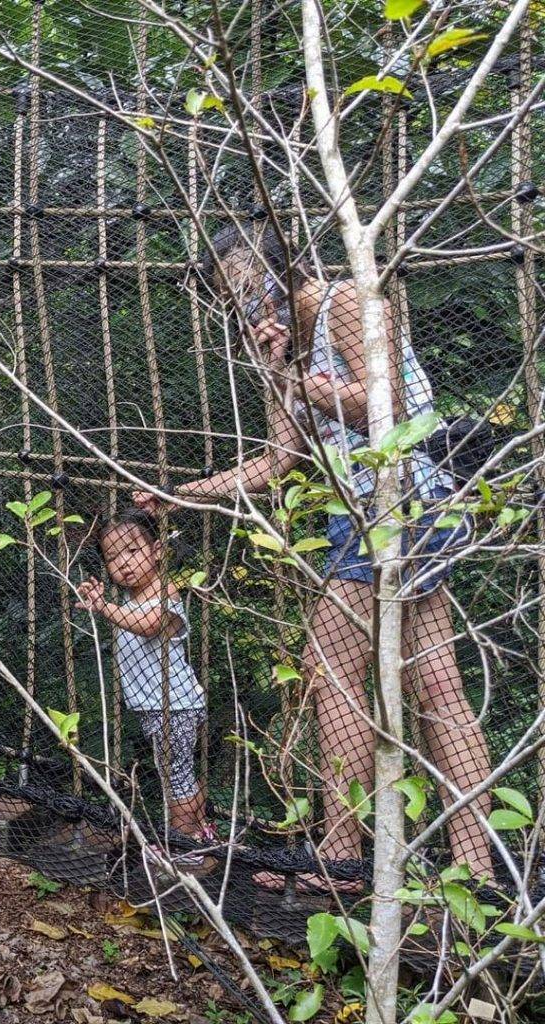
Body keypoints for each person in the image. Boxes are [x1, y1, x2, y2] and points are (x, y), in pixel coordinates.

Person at [134, 220, 495, 894]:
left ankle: (344, 855)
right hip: (353, 512)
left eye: (249, 287)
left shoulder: (345, 303)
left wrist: (302, 380)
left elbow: (396, 407)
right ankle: (467, 863)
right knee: (433, 682)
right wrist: (179, 494)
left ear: (282, 270)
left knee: (333, 669)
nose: (245, 306)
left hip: (403, 498)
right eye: (232, 297)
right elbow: (279, 460)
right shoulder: (281, 349)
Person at [75, 509, 216, 857]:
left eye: (133, 550)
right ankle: (200, 832)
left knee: (175, 779)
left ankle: (182, 848)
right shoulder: (131, 598)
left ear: (156, 551)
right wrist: (103, 603)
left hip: (174, 705)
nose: (123, 562)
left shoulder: (166, 592)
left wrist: (103, 607)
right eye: (113, 557)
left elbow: (149, 625)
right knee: (180, 774)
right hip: (161, 706)